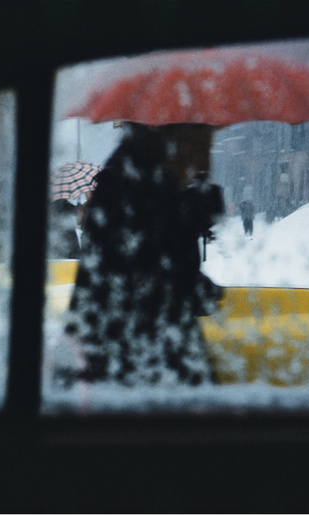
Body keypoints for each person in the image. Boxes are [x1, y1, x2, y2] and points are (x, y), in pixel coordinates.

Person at [58, 123, 224, 387]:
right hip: (129, 365)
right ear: (176, 144)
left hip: (124, 358)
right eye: (201, 147)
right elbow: (154, 285)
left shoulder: (137, 184)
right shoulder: (138, 194)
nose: (204, 159)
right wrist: (189, 219)